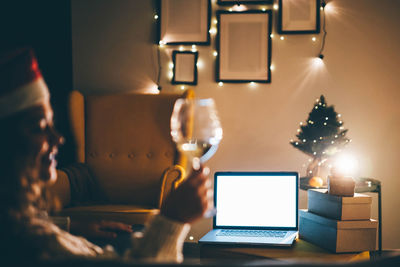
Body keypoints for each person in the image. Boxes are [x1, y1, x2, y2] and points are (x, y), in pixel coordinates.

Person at [0, 48, 212, 264]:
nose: (58, 139)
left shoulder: (18, 218)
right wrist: (172, 220)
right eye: (39, 127)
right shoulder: (31, 244)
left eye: (51, 124)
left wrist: (67, 225)